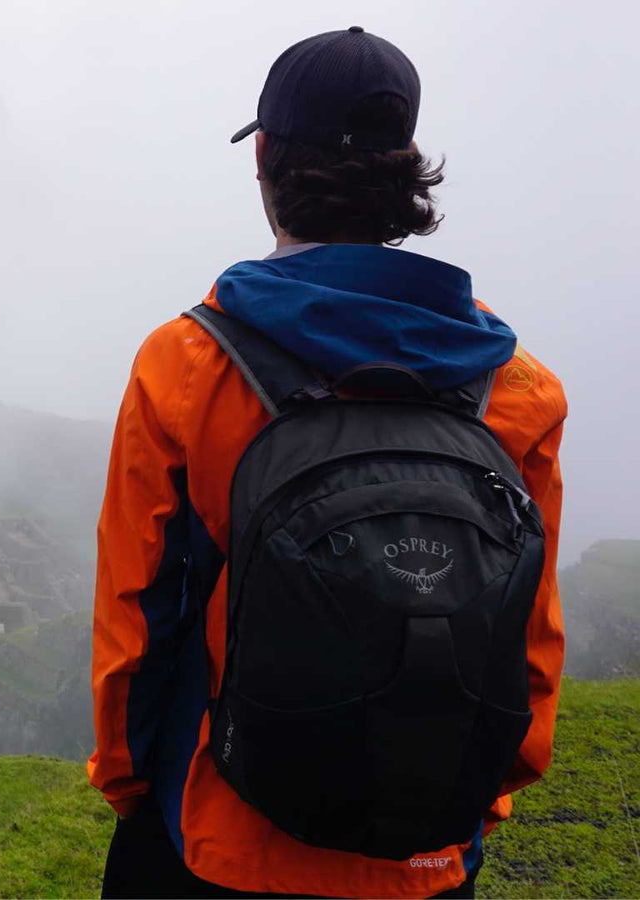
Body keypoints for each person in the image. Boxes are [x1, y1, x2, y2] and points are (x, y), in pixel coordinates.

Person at [88, 26, 566, 899]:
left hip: (220, 837)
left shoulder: (185, 365)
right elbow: (528, 628)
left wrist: (127, 781)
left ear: (264, 157)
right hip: (426, 850)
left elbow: (137, 613)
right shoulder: (517, 387)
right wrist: (479, 796)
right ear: (407, 169)